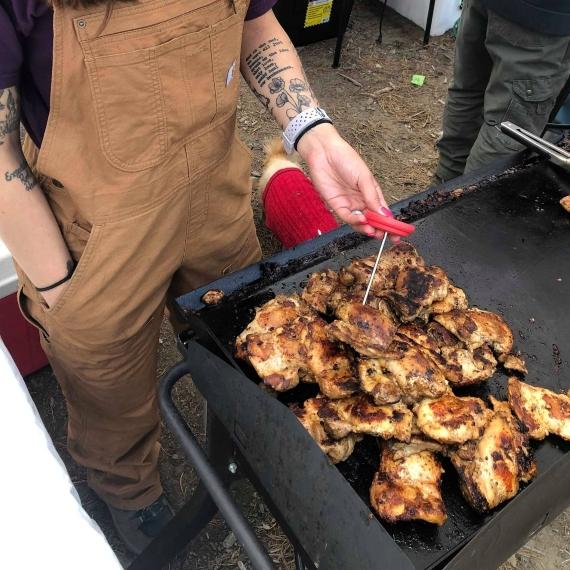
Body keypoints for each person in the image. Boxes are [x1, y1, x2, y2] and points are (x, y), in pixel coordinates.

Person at [0, 0, 391, 553]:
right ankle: (129, 489)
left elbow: (254, 24)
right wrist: (62, 288)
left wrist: (312, 131)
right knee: (106, 382)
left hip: (216, 195)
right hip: (97, 230)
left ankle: (243, 443)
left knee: (245, 342)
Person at [435, 0, 570, 183]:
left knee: (468, 93)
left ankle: (444, 186)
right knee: (509, 126)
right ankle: (464, 201)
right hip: (543, 18)